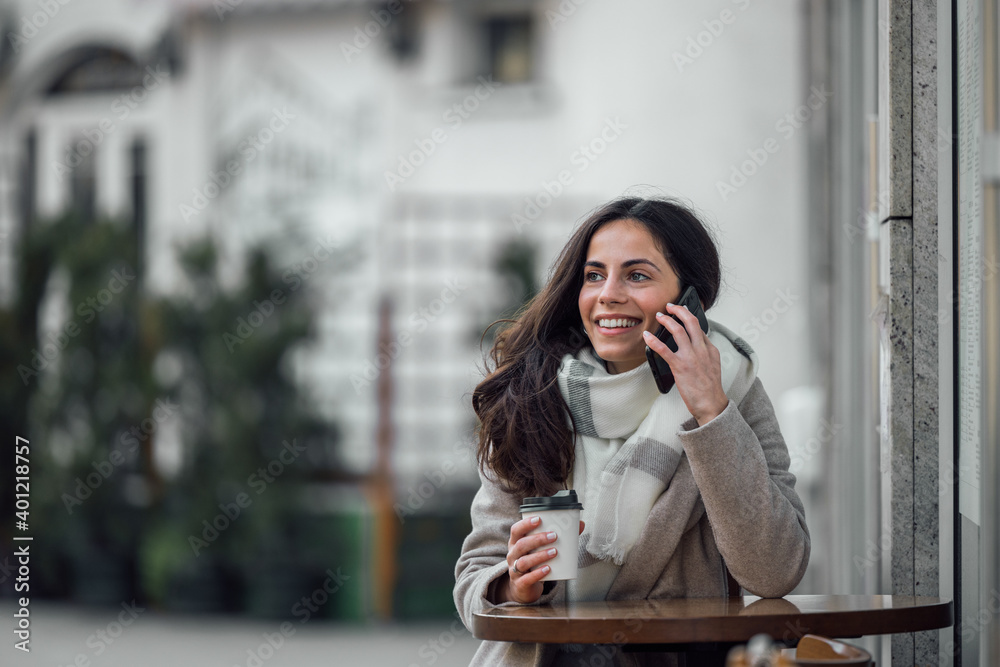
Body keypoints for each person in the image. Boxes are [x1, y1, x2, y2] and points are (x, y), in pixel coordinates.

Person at [454, 196, 810, 666]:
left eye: (637, 275)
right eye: (594, 275)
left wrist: (710, 411)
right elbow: (474, 577)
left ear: (691, 301)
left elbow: (776, 570)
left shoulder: (733, 392)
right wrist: (513, 583)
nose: (609, 294)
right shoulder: (530, 398)